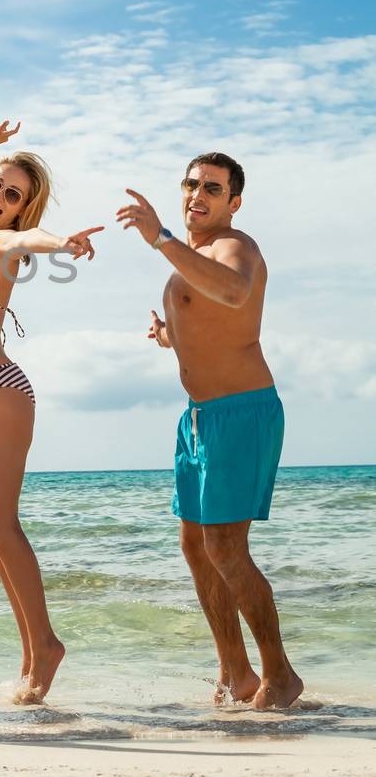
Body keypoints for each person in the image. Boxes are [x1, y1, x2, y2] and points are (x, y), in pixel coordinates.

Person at [117, 154, 302, 710]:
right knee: (196, 547)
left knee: (225, 546)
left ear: (233, 202)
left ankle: (280, 675)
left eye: (213, 188)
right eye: (192, 184)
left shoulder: (235, 245)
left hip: (242, 411)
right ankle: (235, 672)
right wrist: (169, 337)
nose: (199, 193)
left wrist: (161, 238)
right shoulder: (190, 258)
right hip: (197, 417)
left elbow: (235, 294)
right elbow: (208, 321)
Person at [0, 119, 103, 703]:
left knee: (2, 525)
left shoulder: (2, 244)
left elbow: (30, 241)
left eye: (13, 196)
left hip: (0, 389)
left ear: (22, 209)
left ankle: (46, 648)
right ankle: (34, 652)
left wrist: (65, 243)